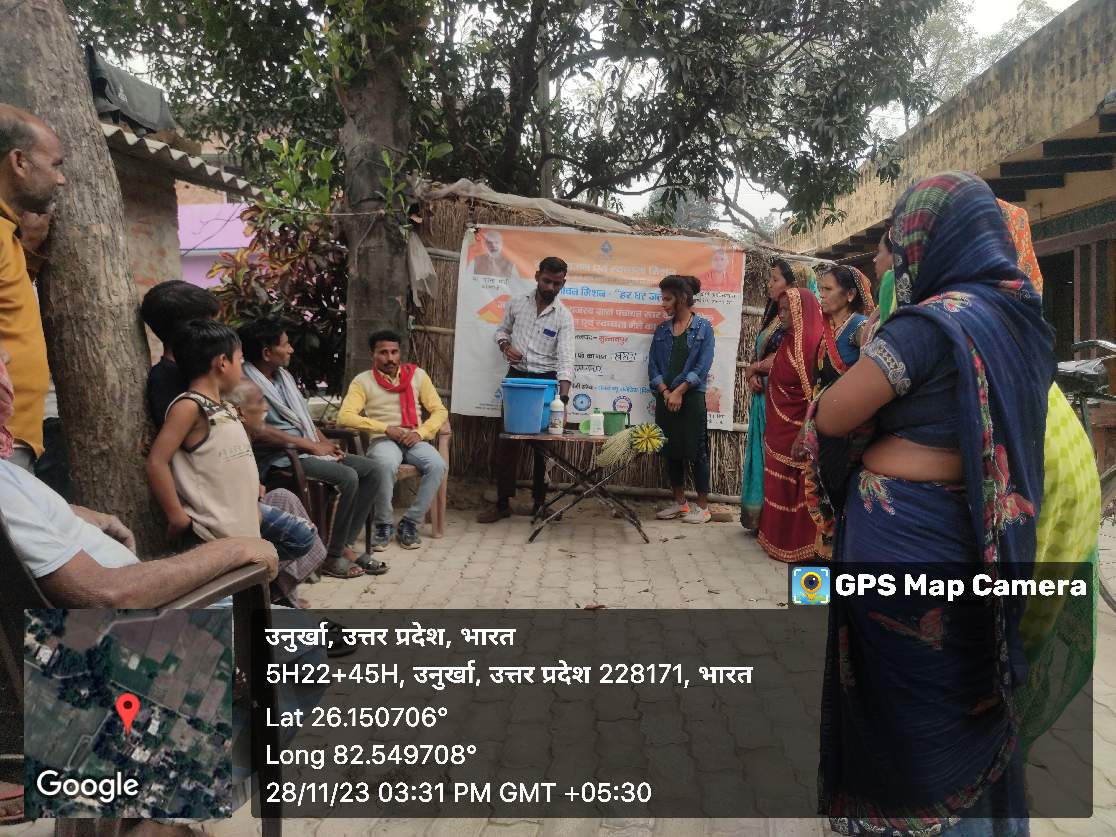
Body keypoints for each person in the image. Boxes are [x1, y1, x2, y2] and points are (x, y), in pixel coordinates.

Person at [813, 172, 1094, 834]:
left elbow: (832, 413)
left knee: (909, 711)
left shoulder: (930, 324)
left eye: (895, 239)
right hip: (977, 546)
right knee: (967, 697)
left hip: (910, 557)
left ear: (930, 242)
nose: (886, 255)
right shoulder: (1021, 320)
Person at [238, 318, 386, 574]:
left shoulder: (283, 377)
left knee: (374, 470)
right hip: (281, 458)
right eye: (285, 345)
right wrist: (307, 445)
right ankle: (332, 557)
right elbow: (256, 430)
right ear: (267, 353)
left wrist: (325, 443)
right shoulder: (245, 384)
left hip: (306, 450)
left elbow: (302, 418)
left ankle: (344, 544)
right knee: (347, 477)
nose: (291, 349)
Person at [229, 379, 364, 584]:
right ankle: (310, 567)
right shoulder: (227, 433)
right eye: (260, 402)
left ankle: (290, 586)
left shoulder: (284, 380)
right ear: (240, 412)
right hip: (240, 505)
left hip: (258, 494)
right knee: (301, 536)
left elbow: (305, 422)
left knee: (287, 501)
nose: (266, 408)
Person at [477, 256, 575, 523]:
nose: (551, 288)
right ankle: (502, 504)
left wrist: (563, 400)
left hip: (546, 383)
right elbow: (501, 331)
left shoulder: (564, 317)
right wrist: (505, 347)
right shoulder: (517, 303)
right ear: (537, 276)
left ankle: (540, 504)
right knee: (508, 443)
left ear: (563, 283)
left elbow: (566, 361)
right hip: (517, 380)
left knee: (543, 448)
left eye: (557, 284)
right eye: (547, 281)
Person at [337, 329, 448, 551]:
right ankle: (383, 524)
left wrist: (421, 432)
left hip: (414, 438)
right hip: (383, 439)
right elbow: (345, 417)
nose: (390, 358)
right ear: (372, 354)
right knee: (385, 464)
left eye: (394, 352)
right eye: (383, 352)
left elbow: (439, 410)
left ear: (400, 353)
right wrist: (386, 429)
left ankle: (410, 522)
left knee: (437, 465)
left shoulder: (417, 375)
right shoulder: (362, 381)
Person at [0, 104, 65, 471]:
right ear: (19, 162)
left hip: (16, 439)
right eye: (55, 165)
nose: (61, 179)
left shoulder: (7, 235)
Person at [801, 265, 876, 558]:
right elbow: (820, 385)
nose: (821, 295)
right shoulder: (829, 331)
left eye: (828, 289)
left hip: (851, 436)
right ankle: (825, 564)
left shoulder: (859, 328)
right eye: (821, 289)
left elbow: (872, 369)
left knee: (841, 500)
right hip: (826, 432)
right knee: (826, 500)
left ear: (850, 295)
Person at [756, 287, 824, 563]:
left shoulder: (808, 345)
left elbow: (813, 396)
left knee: (797, 489)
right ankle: (777, 540)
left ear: (801, 311)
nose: (781, 315)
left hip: (796, 431)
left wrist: (803, 434)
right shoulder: (788, 341)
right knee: (778, 486)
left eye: (787, 310)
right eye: (780, 309)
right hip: (779, 428)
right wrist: (754, 369)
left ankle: (799, 546)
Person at [648, 274, 715, 524]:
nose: (663, 304)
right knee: (670, 450)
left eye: (667, 299)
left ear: (683, 298)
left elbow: (702, 366)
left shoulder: (704, 328)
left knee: (697, 451)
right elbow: (653, 366)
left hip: (691, 398)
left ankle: (703, 508)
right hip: (666, 398)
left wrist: (679, 391)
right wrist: (666, 392)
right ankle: (681, 504)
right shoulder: (661, 330)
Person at [739, 258, 798, 530]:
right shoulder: (773, 315)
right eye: (770, 279)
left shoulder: (794, 318)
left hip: (780, 398)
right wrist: (752, 374)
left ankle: (774, 521)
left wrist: (754, 368)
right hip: (763, 394)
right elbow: (761, 356)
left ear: (792, 284)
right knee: (760, 453)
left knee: (773, 455)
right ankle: (759, 517)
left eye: (775, 279)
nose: (769, 284)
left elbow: (787, 355)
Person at [139, 279, 221, 427]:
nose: (218, 332)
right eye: (211, 325)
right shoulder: (166, 381)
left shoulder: (196, 370)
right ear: (193, 330)